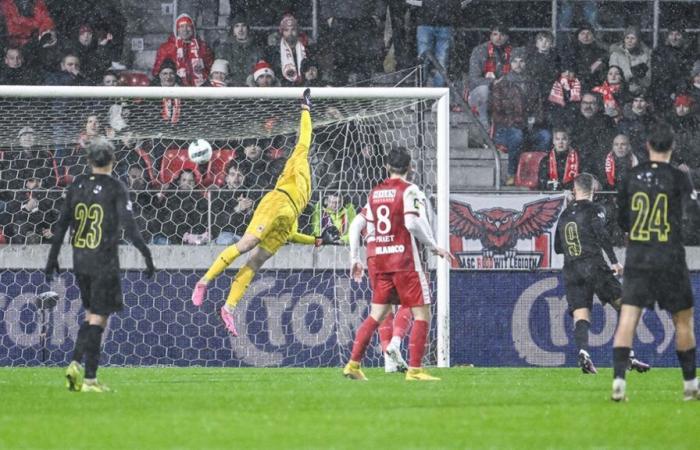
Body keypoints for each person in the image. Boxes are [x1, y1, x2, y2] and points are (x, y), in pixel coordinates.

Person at [190, 89, 340, 335]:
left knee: (256, 261)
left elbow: (292, 234)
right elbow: (306, 135)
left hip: (288, 215)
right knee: (248, 243)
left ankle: (228, 308)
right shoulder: (298, 160)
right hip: (277, 202)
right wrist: (305, 110)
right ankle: (204, 281)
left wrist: (318, 240)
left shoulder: (310, 190)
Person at [45, 137, 155, 393]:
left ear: (88, 160)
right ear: (113, 160)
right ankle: (85, 374)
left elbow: (61, 224)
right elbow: (130, 226)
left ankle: (81, 370)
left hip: (79, 260)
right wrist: (147, 255)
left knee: (91, 315)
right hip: (103, 260)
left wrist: (52, 259)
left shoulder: (77, 184)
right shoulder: (116, 187)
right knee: (98, 318)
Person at [342, 148, 453, 381]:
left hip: (379, 262)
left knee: (376, 315)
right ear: (410, 167)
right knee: (422, 313)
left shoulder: (374, 193)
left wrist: (355, 257)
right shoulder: (409, 190)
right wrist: (434, 246)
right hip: (403, 260)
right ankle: (414, 370)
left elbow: (356, 225)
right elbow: (412, 223)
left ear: (386, 167)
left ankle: (353, 364)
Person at [611, 124, 700, 402]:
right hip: (669, 256)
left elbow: (622, 219)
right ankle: (689, 386)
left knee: (628, 318)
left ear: (647, 146)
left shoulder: (631, 176)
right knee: (683, 321)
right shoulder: (678, 177)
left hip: (638, 257)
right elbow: (692, 215)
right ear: (671, 147)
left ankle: (618, 384)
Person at [554, 173, 650, 374]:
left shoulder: (563, 215)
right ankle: (627, 356)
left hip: (571, 269)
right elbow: (601, 234)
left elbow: (557, 247)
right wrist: (614, 261)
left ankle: (583, 352)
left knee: (581, 314)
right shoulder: (594, 209)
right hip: (593, 266)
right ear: (594, 190)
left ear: (574, 189)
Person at [348, 201, 412, 373]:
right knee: (411, 301)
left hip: (373, 256)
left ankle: (388, 362)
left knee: (383, 308)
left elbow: (354, 226)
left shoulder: (373, 202)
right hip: (394, 251)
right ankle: (395, 343)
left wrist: (354, 258)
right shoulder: (401, 198)